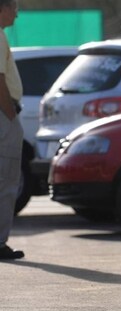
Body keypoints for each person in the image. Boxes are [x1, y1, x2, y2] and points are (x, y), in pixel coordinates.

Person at [0, 0, 24, 259]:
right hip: (3, 116)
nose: (16, 15)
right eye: (13, 9)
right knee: (6, 181)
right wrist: (9, 114)